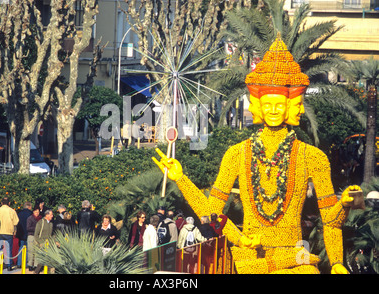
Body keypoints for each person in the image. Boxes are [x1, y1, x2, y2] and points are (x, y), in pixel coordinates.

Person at [152, 35, 362, 274]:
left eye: (279, 105)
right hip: (248, 259)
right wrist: (181, 179)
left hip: (292, 258)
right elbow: (211, 212)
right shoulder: (237, 154)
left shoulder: (312, 156)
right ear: (258, 105)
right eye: (268, 104)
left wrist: (336, 259)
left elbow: (331, 222)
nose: (273, 110)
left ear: (290, 107)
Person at [0, 197, 19, 271]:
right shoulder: (12, 211)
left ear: (1, 203)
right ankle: (9, 265)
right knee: (9, 249)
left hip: (0, 232)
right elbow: (16, 222)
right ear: (9, 203)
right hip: (9, 232)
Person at [33, 209, 54, 274]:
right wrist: (40, 243)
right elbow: (36, 234)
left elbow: (51, 235)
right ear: (47, 215)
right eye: (51, 215)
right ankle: (36, 272)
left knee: (46, 260)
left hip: (49, 245)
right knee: (42, 260)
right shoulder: (40, 222)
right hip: (41, 245)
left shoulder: (51, 224)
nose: (52, 216)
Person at [16, 201, 32, 268]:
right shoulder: (30, 214)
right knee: (28, 249)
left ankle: (19, 263)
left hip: (21, 233)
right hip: (28, 233)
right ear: (28, 206)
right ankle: (26, 264)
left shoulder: (19, 214)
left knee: (21, 248)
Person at [26, 207, 41, 271]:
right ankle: (30, 264)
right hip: (31, 236)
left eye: (38, 212)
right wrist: (36, 229)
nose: (37, 213)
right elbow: (28, 228)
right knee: (31, 251)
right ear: (33, 212)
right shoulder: (30, 218)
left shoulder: (40, 219)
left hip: (38, 237)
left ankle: (35, 265)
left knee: (37, 251)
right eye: (36, 212)